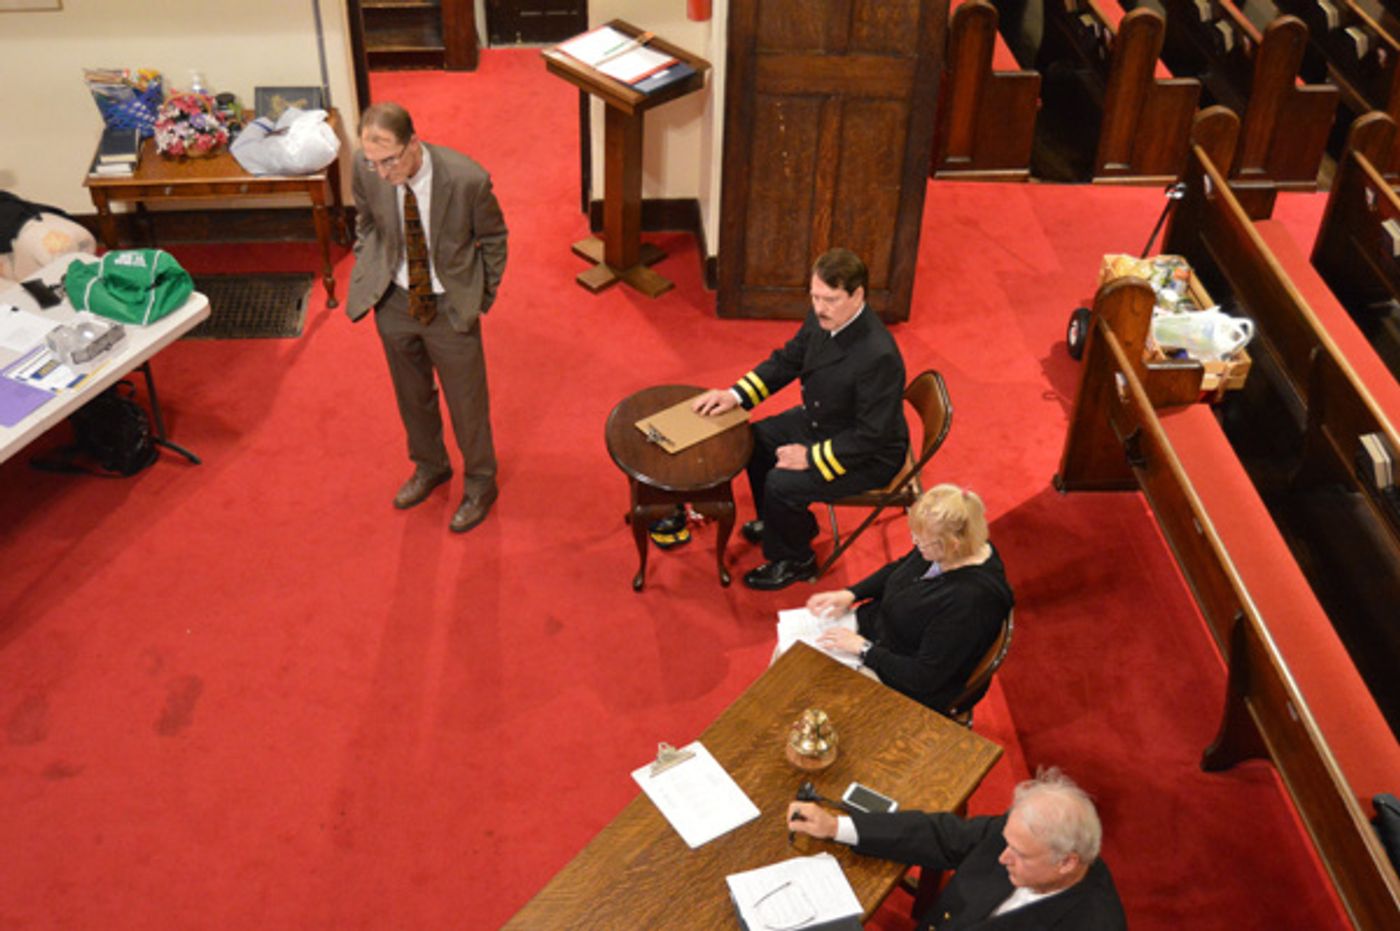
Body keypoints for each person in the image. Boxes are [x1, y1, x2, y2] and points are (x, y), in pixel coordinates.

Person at [691, 248, 907, 590]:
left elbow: (872, 436)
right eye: (815, 296)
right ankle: (782, 524)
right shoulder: (824, 319)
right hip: (826, 422)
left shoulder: (878, 356)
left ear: (858, 295)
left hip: (865, 453)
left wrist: (809, 458)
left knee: (782, 482)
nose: (819, 307)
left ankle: (795, 559)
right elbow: (788, 361)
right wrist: (734, 396)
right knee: (757, 440)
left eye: (830, 299)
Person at [345, 101, 508, 533]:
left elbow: (494, 238)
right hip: (395, 301)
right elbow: (366, 224)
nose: (381, 172)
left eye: (390, 160)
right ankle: (430, 465)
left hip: (449, 306)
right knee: (411, 395)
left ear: (413, 143)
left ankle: (480, 483)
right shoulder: (366, 171)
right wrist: (371, 268)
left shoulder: (467, 179)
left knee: (467, 405)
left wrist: (480, 296)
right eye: (372, 162)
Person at [787, 768, 1127, 930]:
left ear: (1067, 862)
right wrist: (837, 827)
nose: (1001, 856)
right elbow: (940, 835)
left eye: (1019, 855)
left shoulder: (1095, 924)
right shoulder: (1019, 833)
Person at [807, 484, 1013, 714]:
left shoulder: (970, 603)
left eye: (921, 541)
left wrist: (864, 649)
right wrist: (851, 593)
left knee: (805, 684)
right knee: (793, 652)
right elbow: (901, 569)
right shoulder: (954, 547)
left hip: (902, 681)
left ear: (952, 545)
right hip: (880, 634)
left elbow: (924, 678)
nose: (915, 543)